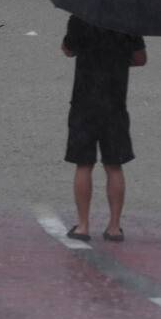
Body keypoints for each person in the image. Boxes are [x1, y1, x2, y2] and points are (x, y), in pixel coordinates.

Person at [61, 15, 147, 242]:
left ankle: (83, 225)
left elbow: (68, 50)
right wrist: (118, 58)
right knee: (114, 165)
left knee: (83, 164)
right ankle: (114, 227)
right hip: (114, 103)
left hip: (84, 102)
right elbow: (140, 59)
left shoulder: (80, 17)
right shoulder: (128, 21)